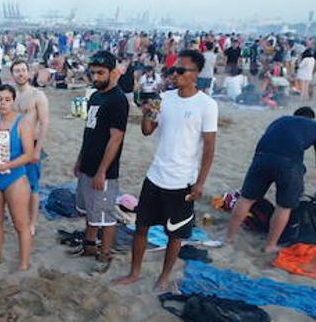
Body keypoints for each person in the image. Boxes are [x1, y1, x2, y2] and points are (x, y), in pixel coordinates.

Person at [115, 50, 217, 289]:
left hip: (182, 181)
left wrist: (200, 183)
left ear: (196, 73)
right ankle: (134, 272)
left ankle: (163, 277)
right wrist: (147, 113)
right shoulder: (165, 98)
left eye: (181, 70)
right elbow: (147, 130)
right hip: (155, 175)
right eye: (173, 69)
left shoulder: (207, 105)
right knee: (141, 228)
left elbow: (210, 147)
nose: (175, 74)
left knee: (175, 235)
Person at [225, 107, 316, 252]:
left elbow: (265, 141)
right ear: (312, 119)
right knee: (284, 206)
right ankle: (270, 245)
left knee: (246, 199)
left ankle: (229, 239)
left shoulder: (280, 120)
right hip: (288, 164)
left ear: (294, 115)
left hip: (261, 158)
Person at [72, 51, 129, 270]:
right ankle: (88, 246)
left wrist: (102, 171)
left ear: (113, 72)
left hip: (104, 170)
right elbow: (90, 133)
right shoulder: (95, 96)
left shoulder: (118, 100)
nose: (95, 77)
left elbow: (115, 139)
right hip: (87, 164)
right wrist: (80, 160)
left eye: (100, 73)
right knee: (89, 211)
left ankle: (105, 254)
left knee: (105, 216)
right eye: (93, 72)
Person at [0, 85, 37, 270]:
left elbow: (29, 155)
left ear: (13, 101)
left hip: (15, 177)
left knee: (21, 224)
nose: (3, 103)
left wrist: (6, 166)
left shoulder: (23, 123)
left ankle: (24, 264)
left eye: (7, 99)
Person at [12, 59, 50, 236]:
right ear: (12, 74)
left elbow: (44, 123)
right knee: (15, 184)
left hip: (32, 144)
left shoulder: (37, 95)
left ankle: (32, 222)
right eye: (16, 70)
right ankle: (19, 217)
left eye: (23, 70)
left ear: (28, 73)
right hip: (14, 145)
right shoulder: (10, 95)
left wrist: (37, 150)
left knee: (33, 186)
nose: (20, 73)